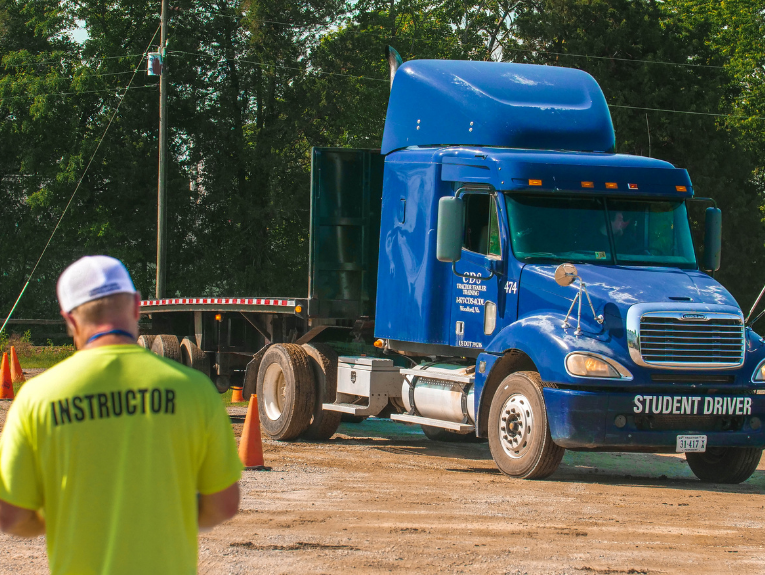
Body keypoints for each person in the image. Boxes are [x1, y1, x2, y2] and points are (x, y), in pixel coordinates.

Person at [0, 255, 242, 574]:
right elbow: (223, 504)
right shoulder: (195, 391)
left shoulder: (37, 398)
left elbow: (11, 514)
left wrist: (58, 516)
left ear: (70, 319)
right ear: (137, 306)